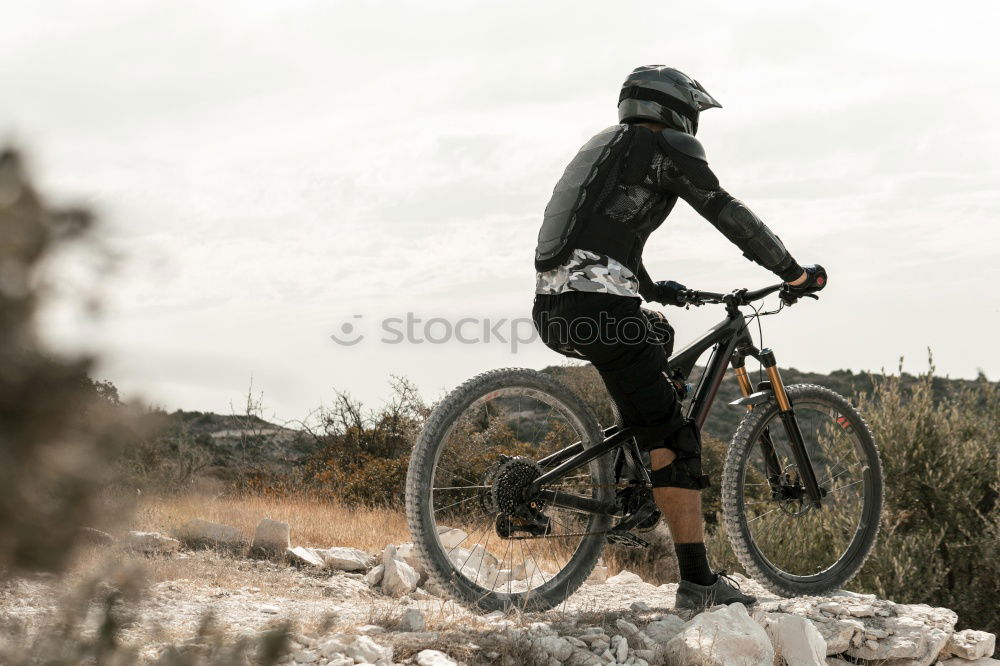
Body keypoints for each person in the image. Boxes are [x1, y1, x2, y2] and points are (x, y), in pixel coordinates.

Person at [531, 65, 827, 610]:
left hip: (554, 308)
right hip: (601, 307)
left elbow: (600, 233)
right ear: (676, 110)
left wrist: (656, 288)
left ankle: (630, 475)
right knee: (676, 438)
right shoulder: (669, 144)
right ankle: (698, 583)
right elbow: (726, 211)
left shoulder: (606, 148)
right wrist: (789, 270)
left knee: (657, 333)